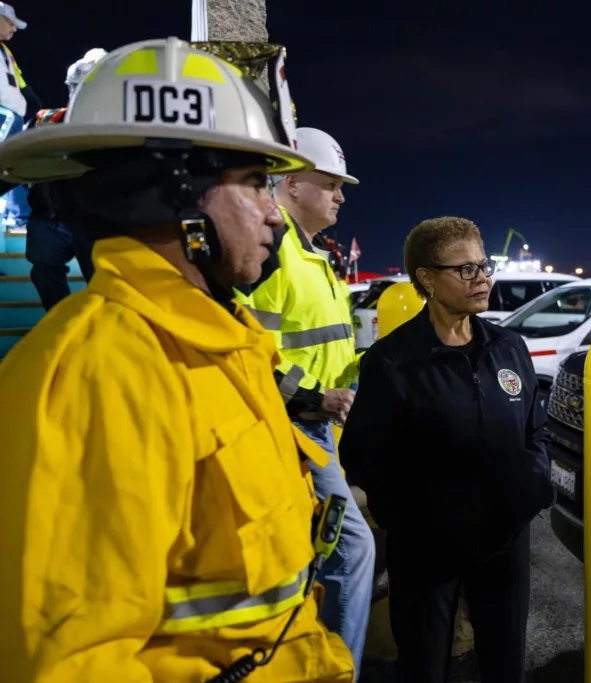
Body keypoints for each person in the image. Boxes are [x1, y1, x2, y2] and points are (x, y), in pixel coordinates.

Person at [0, 37, 354, 682]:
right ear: (177, 194)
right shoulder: (100, 371)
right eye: (255, 185)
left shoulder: (218, 344)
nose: (274, 215)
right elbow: (72, 661)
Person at [338, 217, 554, 683]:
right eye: (465, 270)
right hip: (428, 551)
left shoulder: (509, 347)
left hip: (505, 541)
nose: (482, 279)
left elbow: (535, 431)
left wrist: (531, 489)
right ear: (427, 279)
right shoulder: (392, 361)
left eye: (484, 266)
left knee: (505, 664)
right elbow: (363, 454)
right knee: (424, 665)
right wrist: (416, 520)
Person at [235, 126, 375, 680]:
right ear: (292, 183)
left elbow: (321, 343)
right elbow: (247, 350)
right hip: (293, 429)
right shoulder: (272, 251)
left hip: (320, 432)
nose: (340, 196)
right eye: (331, 184)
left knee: (317, 554)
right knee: (351, 550)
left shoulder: (313, 253)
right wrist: (317, 396)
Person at [24, 48, 107, 309]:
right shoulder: (45, 120)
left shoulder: (115, 129)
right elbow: (18, 160)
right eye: (75, 86)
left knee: (102, 280)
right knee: (43, 268)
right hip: (49, 217)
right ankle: (61, 320)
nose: (78, 93)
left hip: (94, 219)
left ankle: (98, 326)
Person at [0, 2, 37, 230]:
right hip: (3, 115)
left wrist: (30, 98)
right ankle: (19, 216)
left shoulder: (5, 51)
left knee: (14, 165)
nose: (14, 29)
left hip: (14, 116)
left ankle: (17, 215)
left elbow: (18, 79)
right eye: (10, 23)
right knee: (7, 162)